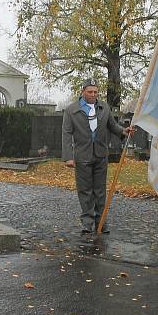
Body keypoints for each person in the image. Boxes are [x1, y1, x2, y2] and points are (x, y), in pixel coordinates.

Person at [62, 78, 132, 235]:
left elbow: (112, 126)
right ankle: (87, 222)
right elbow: (66, 134)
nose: (93, 94)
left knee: (100, 190)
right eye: (90, 92)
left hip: (100, 155)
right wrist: (68, 157)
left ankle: (101, 222)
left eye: (95, 92)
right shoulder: (71, 110)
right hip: (82, 156)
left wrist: (123, 131)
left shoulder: (104, 107)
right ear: (83, 92)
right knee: (85, 190)